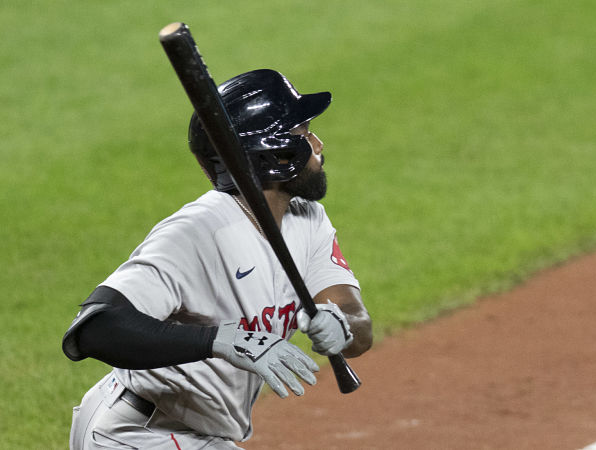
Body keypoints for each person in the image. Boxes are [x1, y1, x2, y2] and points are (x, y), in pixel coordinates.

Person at [62, 69, 372, 449]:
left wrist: (342, 325)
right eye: (304, 134)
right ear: (276, 153)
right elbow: (94, 329)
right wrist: (223, 340)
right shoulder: (198, 232)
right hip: (139, 431)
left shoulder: (308, 220)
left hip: (194, 435)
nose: (318, 144)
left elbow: (355, 322)